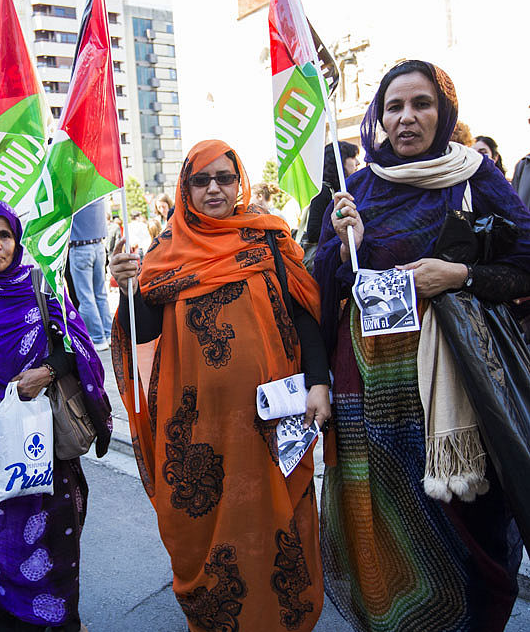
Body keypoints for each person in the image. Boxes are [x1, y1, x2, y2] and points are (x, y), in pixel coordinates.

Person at [315, 60, 530, 632]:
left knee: (469, 519)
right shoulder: (355, 191)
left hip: (460, 381)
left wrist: (458, 275)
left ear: (445, 112)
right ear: (378, 118)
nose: (407, 118)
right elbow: (320, 284)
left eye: (421, 104)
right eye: (394, 107)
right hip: (370, 386)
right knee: (386, 520)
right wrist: (343, 249)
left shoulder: (473, 176)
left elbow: (525, 263)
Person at [110, 139, 330, 632]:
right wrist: (128, 287)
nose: (213, 188)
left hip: (271, 425)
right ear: (185, 189)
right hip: (197, 435)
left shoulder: (267, 238)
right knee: (204, 539)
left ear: (239, 183)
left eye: (223, 178)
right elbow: (142, 332)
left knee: (279, 525)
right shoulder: (163, 252)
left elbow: (303, 316)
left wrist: (318, 383)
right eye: (200, 180)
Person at [0, 200, 112, 632]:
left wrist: (46, 372)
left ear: (17, 240)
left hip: (41, 448)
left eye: (4, 235)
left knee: (54, 543)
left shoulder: (41, 286)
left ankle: (64, 621)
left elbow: (80, 350)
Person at [299, 142, 360, 271]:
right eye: (353, 157)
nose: (358, 162)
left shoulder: (341, 190)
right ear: (340, 160)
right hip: (323, 264)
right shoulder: (323, 191)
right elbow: (314, 232)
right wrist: (339, 224)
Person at [68, 198, 113, 350]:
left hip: (80, 248)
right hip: (99, 246)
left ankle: (98, 338)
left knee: (86, 297)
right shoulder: (97, 195)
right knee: (101, 294)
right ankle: (109, 334)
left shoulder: (74, 195)